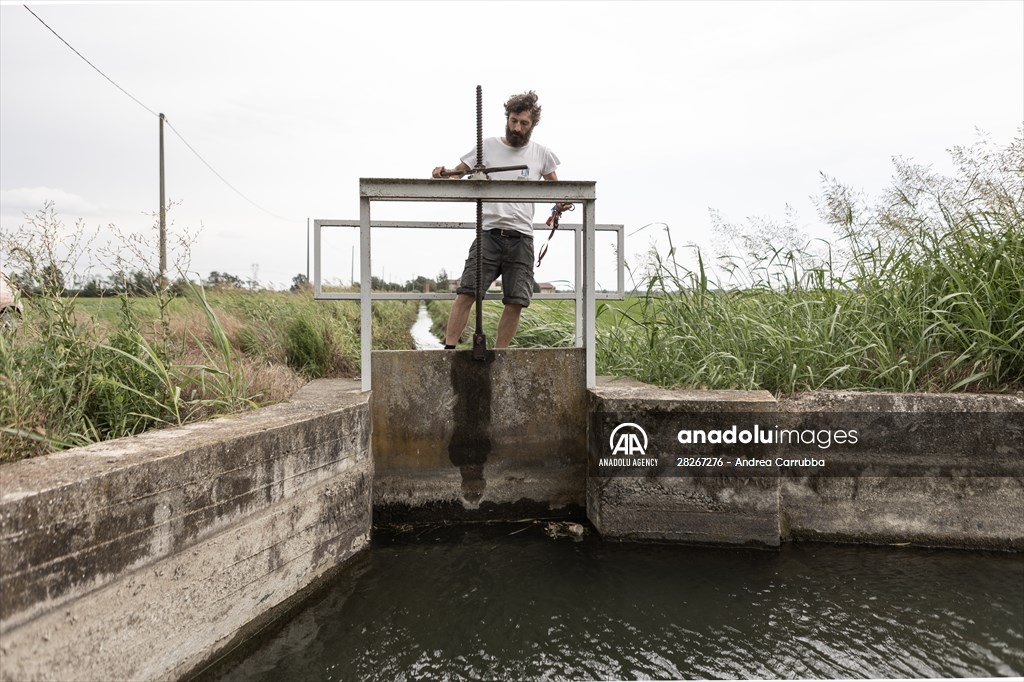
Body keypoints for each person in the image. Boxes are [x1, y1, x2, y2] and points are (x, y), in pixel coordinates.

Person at [431, 90, 570, 349]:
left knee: (516, 299)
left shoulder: (542, 155)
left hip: (522, 237)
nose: (517, 128)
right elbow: (457, 173)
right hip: (489, 234)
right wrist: (443, 173)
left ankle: (500, 355)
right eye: (513, 121)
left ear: (533, 125)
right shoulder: (487, 147)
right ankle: (449, 350)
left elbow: (557, 191)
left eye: (524, 123)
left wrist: (560, 205)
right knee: (467, 292)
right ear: (507, 118)